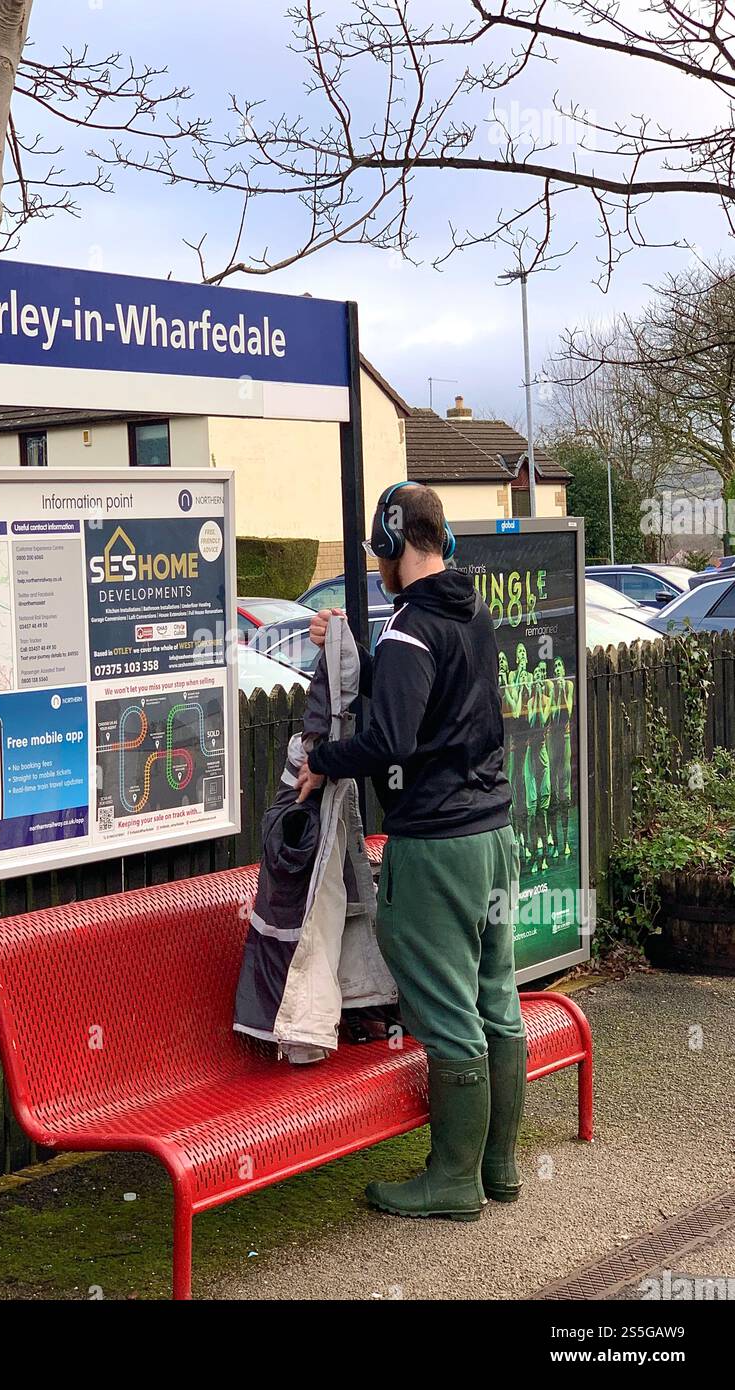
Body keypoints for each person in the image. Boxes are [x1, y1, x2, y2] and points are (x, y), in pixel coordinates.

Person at [296, 482, 526, 1221]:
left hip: (434, 848)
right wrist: (351, 645)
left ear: (394, 544)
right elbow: (423, 696)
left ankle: (451, 1182)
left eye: (377, 550)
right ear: (444, 540)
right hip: (493, 835)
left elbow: (390, 738)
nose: (376, 563)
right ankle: (498, 1167)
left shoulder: (407, 632)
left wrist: (324, 760)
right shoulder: (469, 612)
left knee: (450, 1013)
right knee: (496, 1000)